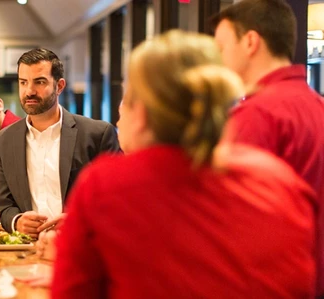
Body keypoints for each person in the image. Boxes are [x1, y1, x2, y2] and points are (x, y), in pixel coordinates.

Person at [51, 30, 316, 298]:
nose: (120, 112)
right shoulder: (282, 181)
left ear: (141, 113)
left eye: (126, 99)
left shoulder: (105, 187)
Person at [212, 0, 324, 294]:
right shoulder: (318, 106)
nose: (218, 59)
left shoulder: (256, 116)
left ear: (250, 42)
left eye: (222, 48)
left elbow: (233, 221)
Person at [0, 48, 120, 237]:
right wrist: (16, 221)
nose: (29, 91)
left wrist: (78, 220)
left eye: (40, 82)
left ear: (59, 86)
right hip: (28, 251)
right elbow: (5, 205)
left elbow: (118, 199)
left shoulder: (97, 134)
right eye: (23, 82)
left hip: (81, 247)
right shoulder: (2, 141)